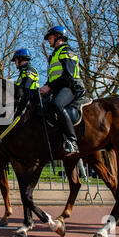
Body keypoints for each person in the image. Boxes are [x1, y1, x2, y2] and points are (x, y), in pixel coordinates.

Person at [40, 26, 86, 156]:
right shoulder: (54, 55)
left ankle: (72, 140)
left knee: (57, 104)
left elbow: (68, 75)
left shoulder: (66, 51)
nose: (48, 41)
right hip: (58, 87)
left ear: (58, 37)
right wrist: (44, 87)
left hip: (71, 87)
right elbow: (54, 77)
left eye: (50, 38)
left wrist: (49, 87)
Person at [11, 48, 40, 116]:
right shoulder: (23, 72)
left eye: (16, 60)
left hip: (31, 100)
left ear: (21, 59)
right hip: (24, 98)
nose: (15, 63)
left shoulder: (29, 70)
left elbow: (25, 87)